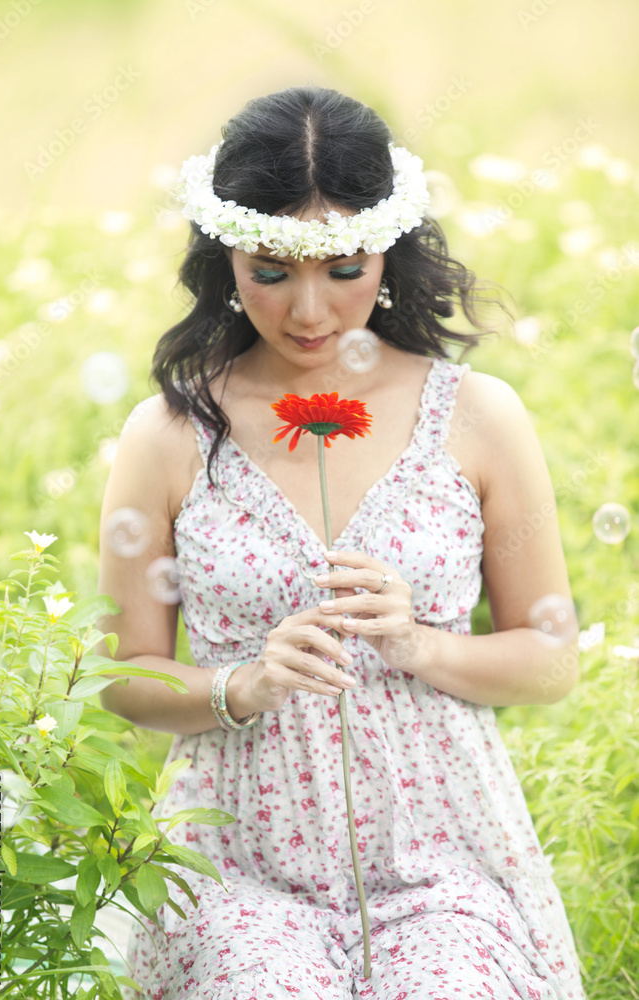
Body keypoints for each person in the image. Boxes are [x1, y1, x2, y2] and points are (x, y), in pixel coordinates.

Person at [97, 85, 586, 999]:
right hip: (237, 864)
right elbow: (125, 676)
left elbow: (549, 661)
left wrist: (421, 645)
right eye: (270, 272)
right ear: (223, 260)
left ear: (392, 254)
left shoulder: (475, 416)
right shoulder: (167, 434)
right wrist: (242, 683)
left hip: (441, 862)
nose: (310, 312)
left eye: (345, 269)